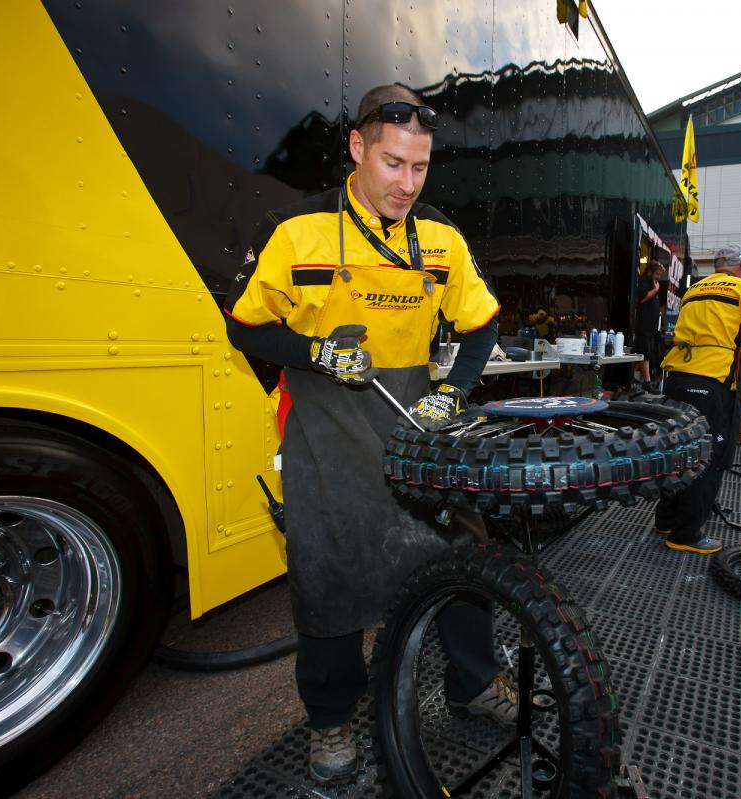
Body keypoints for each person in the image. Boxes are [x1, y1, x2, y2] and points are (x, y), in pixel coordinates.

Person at [225, 84, 514, 784]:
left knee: (461, 552)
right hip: (326, 426)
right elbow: (243, 323)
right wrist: (316, 351)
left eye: (419, 167)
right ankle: (330, 724)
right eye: (392, 164)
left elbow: (482, 323)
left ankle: (473, 683)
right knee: (329, 574)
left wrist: (453, 392)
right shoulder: (300, 233)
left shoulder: (440, 239)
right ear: (357, 149)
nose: (407, 183)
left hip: (414, 418)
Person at [654, 244, 741, 553]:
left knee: (677, 449)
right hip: (713, 381)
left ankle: (665, 519)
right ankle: (685, 535)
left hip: (675, 376)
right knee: (710, 455)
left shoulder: (695, 289)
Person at [634, 261, 666, 392]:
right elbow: (641, 298)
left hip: (651, 326)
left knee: (645, 352)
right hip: (644, 324)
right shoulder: (645, 281)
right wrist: (655, 290)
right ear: (650, 272)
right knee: (644, 352)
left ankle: (634, 377)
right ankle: (647, 382)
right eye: (657, 274)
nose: (659, 277)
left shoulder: (653, 282)